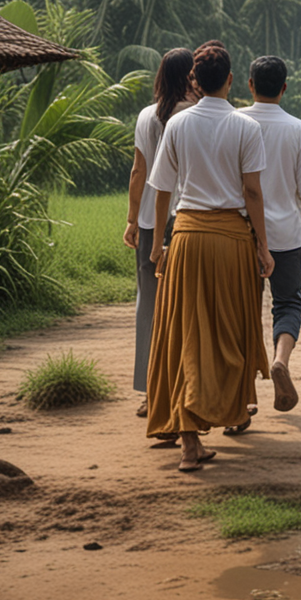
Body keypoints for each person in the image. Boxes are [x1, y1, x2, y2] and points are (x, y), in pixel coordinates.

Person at [145, 41, 274, 471]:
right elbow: (253, 191)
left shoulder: (178, 125)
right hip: (232, 241)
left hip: (186, 238)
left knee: (185, 334)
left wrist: (159, 244)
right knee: (229, 333)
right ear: (232, 80)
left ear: (194, 82)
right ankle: (221, 412)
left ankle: (188, 444)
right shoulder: (245, 127)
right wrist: (263, 244)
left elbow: (162, 188)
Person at [242, 56, 301, 417]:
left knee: (241, 312)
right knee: (288, 304)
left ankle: (245, 395)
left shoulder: (235, 122)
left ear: (249, 84)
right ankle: (280, 360)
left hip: (242, 235)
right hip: (287, 237)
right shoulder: (298, 129)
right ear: (285, 87)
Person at [122, 48, 196, 423]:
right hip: (186, 220)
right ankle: (188, 388)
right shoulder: (194, 115)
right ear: (190, 76)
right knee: (188, 307)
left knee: (149, 307)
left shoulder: (146, 116)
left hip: (152, 221)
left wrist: (133, 220)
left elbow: (139, 172)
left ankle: (151, 393)